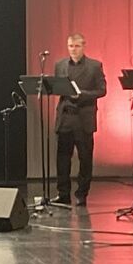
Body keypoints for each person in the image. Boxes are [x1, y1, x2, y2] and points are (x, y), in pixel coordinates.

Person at [52, 34, 107, 206]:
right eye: (70, 46)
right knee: (62, 158)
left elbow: (102, 90)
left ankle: (82, 194)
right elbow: (57, 88)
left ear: (83, 46)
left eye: (76, 46)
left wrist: (81, 94)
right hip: (65, 117)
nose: (73, 49)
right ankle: (63, 194)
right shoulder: (60, 65)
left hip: (84, 118)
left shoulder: (94, 66)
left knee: (85, 158)